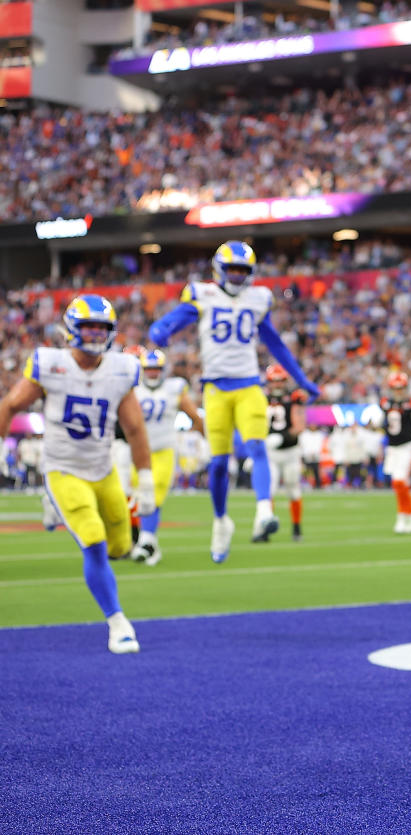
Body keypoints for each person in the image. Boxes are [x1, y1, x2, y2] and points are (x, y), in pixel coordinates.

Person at [0, 295, 156, 653]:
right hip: (63, 468)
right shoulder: (50, 364)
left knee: (121, 547)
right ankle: (118, 623)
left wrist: (145, 478)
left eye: (102, 326)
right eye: (89, 325)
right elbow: (11, 404)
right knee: (94, 538)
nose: (96, 333)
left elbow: (134, 429)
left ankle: (60, 512)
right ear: (72, 328)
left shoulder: (120, 369)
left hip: (103, 471)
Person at [148, 241, 320, 563]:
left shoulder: (258, 299)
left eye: (243, 270)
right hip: (214, 388)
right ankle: (221, 521)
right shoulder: (203, 295)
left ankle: (264, 511)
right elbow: (174, 320)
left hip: (249, 385)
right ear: (220, 270)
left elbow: (277, 346)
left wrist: (302, 380)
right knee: (217, 464)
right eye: (233, 270)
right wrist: (160, 329)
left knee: (258, 447)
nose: (238, 276)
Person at [131, 348, 204, 564]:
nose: (153, 373)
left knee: (154, 494)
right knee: (137, 495)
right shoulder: (132, 390)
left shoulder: (175, 389)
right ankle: (140, 541)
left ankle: (146, 541)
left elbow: (193, 415)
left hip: (164, 448)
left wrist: (206, 436)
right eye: (149, 369)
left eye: (156, 369)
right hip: (137, 450)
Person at [264, 364, 308, 540]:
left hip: (290, 451)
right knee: (268, 490)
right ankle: (265, 529)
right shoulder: (262, 398)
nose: (277, 385)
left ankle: (296, 528)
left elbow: (299, 426)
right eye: (274, 382)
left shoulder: (293, 398)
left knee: (293, 489)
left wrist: (282, 437)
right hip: (270, 452)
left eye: (280, 381)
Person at [380, 370, 411, 534]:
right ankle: (410, 518)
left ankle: (403, 518)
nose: (398, 391)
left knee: (399, 481)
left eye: (401, 388)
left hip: (407, 447)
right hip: (392, 448)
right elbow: (382, 423)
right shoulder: (386, 404)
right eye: (396, 388)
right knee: (401, 485)